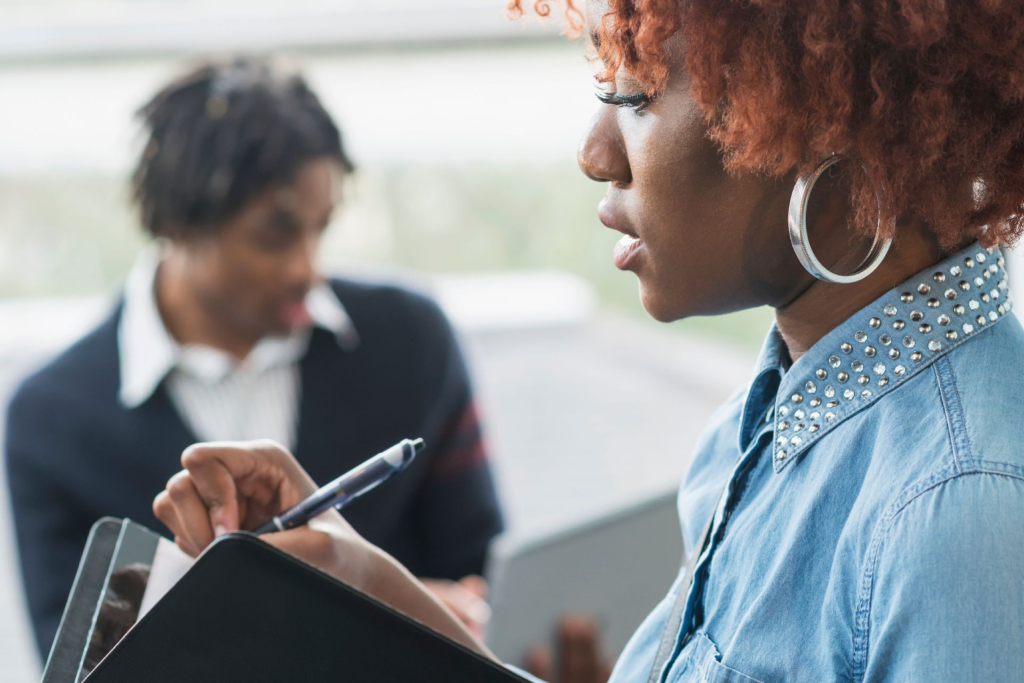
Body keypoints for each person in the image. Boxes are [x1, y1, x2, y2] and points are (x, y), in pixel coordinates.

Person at [155, 2, 1024, 682]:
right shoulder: (767, 421)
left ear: (817, 123)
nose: (594, 151)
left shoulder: (964, 510)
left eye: (636, 97)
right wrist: (353, 571)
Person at [4, 57, 503, 660]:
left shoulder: (413, 340)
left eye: (321, 229)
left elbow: (487, 580)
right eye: (275, 234)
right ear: (176, 221)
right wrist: (387, 605)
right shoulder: (52, 422)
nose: (306, 269)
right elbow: (80, 662)